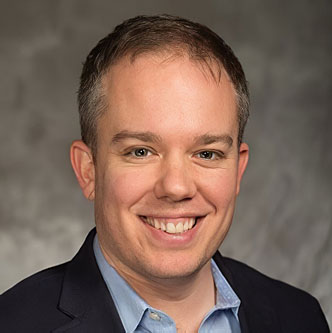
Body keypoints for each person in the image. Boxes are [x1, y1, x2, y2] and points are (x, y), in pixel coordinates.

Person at [0, 14, 329, 333]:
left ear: (238, 170)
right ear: (89, 171)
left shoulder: (299, 316)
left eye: (206, 153)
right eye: (140, 151)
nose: (176, 187)